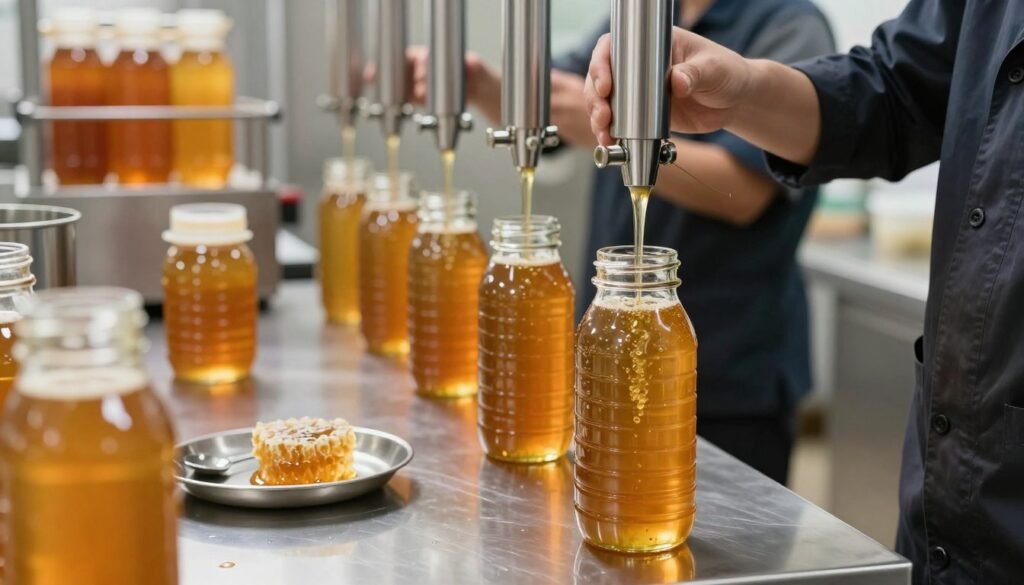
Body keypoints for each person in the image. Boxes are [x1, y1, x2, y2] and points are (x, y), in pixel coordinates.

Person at [585, 0, 1024, 582]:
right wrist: (742, 93)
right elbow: (896, 92)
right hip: (955, 478)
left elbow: (744, 195)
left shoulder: (788, 18)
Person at [409, 0, 835, 486]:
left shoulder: (787, 25)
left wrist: (635, 140)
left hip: (731, 374)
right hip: (614, 352)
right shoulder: (641, 17)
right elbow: (551, 102)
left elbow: (745, 192)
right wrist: (484, 85)